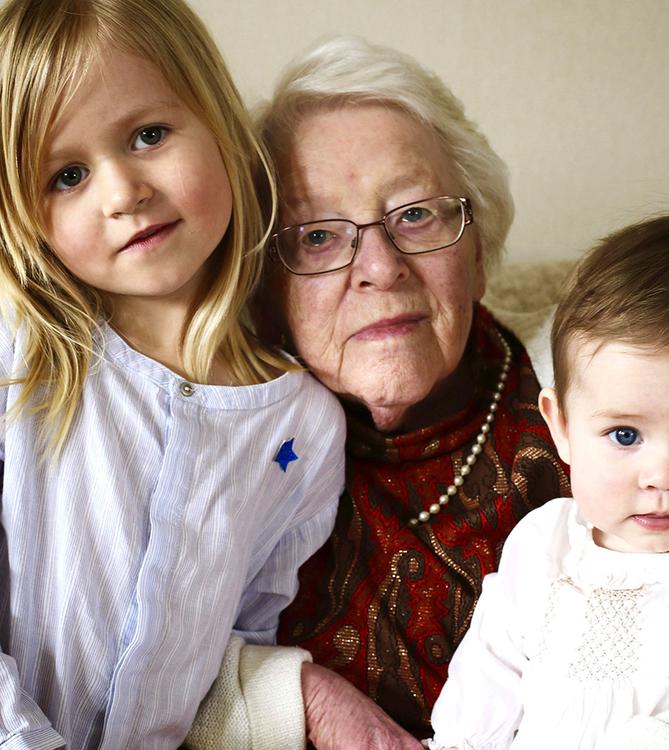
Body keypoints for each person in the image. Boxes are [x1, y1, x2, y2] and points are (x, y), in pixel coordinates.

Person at [187, 35, 570, 750]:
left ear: (479, 246)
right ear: (263, 291)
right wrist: (293, 694)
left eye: (416, 214)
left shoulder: (609, 410)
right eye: (318, 237)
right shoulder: (218, 445)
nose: (380, 267)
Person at [0, 1, 345, 748]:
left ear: (219, 123)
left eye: (148, 135)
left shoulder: (303, 429)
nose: (123, 192)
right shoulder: (21, 354)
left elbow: (239, 655)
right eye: (68, 175)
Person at [428, 212, 669, 749]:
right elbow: (485, 682)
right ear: (563, 429)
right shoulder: (542, 548)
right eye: (625, 435)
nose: (663, 476)